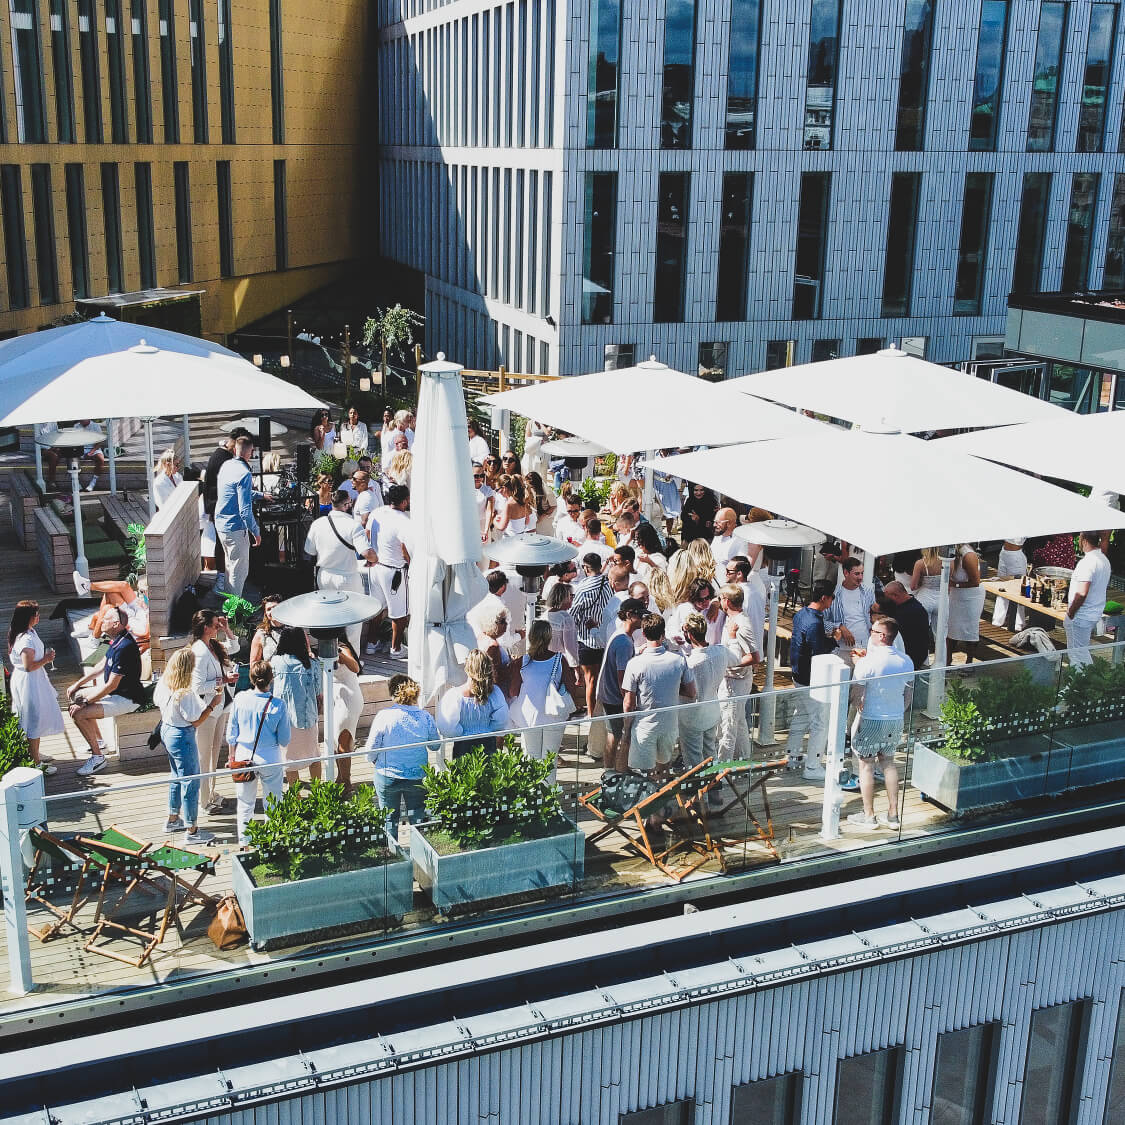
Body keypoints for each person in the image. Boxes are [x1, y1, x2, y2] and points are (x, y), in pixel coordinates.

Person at [847, 617, 914, 831]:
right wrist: (897, 710)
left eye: (873, 631)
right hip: (895, 719)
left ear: (882, 636)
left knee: (866, 766)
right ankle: (893, 815)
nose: (870, 634)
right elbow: (909, 693)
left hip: (871, 718)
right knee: (889, 763)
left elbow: (856, 695)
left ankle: (869, 816)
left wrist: (860, 707)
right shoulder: (906, 660)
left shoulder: (867, 662)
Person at [69, 607, 147, 776]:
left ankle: (98, 758)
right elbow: (101, 665)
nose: (101, 621)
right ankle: (97, 741)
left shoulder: (125, 646)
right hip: (115, 693)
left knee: (78, 713)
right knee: (77, 696)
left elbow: (111, 686)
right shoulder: (114, 639)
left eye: (105, 619)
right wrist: (78, 685)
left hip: (127, 698)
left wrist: (86, 702)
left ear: (116, 624)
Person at [154, 647, 218, 844]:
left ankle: (173, 818)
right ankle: (192, 830)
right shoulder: (185, 693)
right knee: (191, 781)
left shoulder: (165, 683)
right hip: (182, 736)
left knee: (176, 776)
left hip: (167, 730)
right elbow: (195, 721)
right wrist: (212, 704)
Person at [304, 490, 379, 651]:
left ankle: (331, 653)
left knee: (330, 617)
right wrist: (374, 560)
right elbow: (367, 553)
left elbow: (309, 550)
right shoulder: (352, 525)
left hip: (324, 575)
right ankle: (352, 658)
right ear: (347, 504)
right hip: (347, 577)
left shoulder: (318, 524)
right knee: (353, 618)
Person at [621, 614, 696, 774]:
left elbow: (628, 703)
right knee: (663, 769)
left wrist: (626, 731)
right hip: (669, 725)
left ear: (643, 633)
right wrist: (673, 688)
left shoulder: (635, 664)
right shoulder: (679, 660)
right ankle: (661, 795)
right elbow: (691, 692)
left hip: (644, 727)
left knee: (642, 774)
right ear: (663, 634)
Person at [366, 674, 439, 837]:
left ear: (393, 694)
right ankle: (421, 857)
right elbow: (435, 745)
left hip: (387, 775)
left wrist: (374, 760)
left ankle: (392, 856)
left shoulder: (384, 716)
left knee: (389, 819)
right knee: (418, 818)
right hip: (417, 776)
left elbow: (370, 751)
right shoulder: (425, 717)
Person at [227, 660, 291, 846]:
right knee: (273, 803)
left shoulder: (240, 699)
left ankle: (245, 842)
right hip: (270, 756)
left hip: (243, 756)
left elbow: (232, 734)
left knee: (245, 803)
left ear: (252, 678)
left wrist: (231, 757)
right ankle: (273, 841)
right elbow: (284, 740)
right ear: (271, 678)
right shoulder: (278, 705)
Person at [190, 608, 240, 815]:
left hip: (220, 707)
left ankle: (211, 793)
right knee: (203, 756)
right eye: (215, 624)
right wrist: (224, 681)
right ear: (205, 627)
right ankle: (203, 802)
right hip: (206, 710)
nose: (218, 626)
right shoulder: (199, 651)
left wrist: (228, 630)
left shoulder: (213, 645)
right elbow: (198, 686)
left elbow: (234, 646)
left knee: (213, 755)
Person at [787, 581, 836, 778]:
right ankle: (813, 766)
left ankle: (793, 755)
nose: (833, 600)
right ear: (824, 598)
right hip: (810, 678)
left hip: (798, 674)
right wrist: (834, 639)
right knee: (820, 722)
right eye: (832, 597)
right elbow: (820, 650)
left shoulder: (802, 614)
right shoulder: (815, 622)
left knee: (801, 716)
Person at [7, 601, 62, 774]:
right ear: (28, 617)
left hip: (32, 680)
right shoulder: (26, 639)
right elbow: (29, 666)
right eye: (36, 614)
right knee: (33, 719)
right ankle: (35, 763)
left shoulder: (27, 632)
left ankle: (34, 753)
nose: (38, 616)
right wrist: (46, 659)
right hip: (29, 683)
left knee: (33, 716)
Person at [679, 612, 737, 772]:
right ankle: (714, 789)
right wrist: (732, 638)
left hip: (691, 717)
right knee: (710, 753)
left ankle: (699, 794)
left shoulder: (690, 664)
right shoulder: (721, 651)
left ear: (689, 634)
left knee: (694, 761)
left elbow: (687, 691)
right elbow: (737, 659)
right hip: (712, 711)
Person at [595, 598, 647, 771]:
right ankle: (610, 772)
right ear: (630, 615)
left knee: (614, 735)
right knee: (615, 736)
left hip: (608, 695)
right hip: (615, 698)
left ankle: (609, 771)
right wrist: (628, 704)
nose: (643, 620)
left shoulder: (620, 635)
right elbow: (622, 678)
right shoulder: (624, 642)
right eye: (640, 616)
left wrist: (638, 652)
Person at [509, 620, 568, 772]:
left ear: (530, 637)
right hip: (554, 716)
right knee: (550, 759)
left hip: (529, 717)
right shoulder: (560, 660)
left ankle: (532, 795)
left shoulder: (522, 661)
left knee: (531, 757)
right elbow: (571, 689)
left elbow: (513, 692)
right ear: (549, 638)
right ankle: (549, 794)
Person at [270, 626, 321, 788]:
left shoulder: (276, 662)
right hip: (308, 717)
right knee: (314, 757)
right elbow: (318, 691)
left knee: (288, 760)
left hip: (284, 719)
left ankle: (295, 795)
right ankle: (318, 793)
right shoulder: (311, 664)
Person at [214, 435, 264, 597]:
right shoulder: (244, 473)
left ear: (235, 450)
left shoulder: (227, 465)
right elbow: (245, 510)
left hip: (221, 524)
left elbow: (233, 491)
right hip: (235, 527)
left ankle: (229, 607)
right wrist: (256, 532)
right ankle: (234, 614)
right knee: (239, 571)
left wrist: (260, 494)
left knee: (230, 567)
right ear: (250, 453)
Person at [437, 649, 509, 757]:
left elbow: (447, 727)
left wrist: (461, 732)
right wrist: (488, 728)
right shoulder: (495, 693)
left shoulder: (455, 695)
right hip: (488, 742)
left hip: (463, 745)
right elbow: (501, 721)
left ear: (467, 669)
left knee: (463, 773)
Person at [716, 584, 760, 761]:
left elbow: (754, 657)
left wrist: (728, 665)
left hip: (735, 682)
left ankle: (723, 770)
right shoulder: (732, 619)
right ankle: (743, 759)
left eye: (720, 599)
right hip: (733, 680)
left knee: (728, 726)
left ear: (726, 601)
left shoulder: (741, 624)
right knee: (739, 721)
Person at [370, 484, 412, 658]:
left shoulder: (377, 512)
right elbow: (404, 549)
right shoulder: (404, 521)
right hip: (394, 571)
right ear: (404, 501)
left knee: (376, 609)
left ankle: (371, 644)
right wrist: (412, 564)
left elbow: (367, 532)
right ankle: (396, 649)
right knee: (399, 613)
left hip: (375, 567)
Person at [571, 552, 612, 716]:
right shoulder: (609, 583)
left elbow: (573, 615)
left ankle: (592, 716)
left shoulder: (582, 588)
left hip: (587, 639)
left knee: (591, 681)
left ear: (586, 568)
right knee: (603, 680)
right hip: (606, 638)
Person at [1065, 530, 1112, 664]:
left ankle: (1082, 683)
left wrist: (1070, 613)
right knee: (1081, 651)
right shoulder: (1104, 559)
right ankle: (1084, 681)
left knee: (1077, 653)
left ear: (1084, 540)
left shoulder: (1087, 563)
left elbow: (1082, 593)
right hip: (1093, 613)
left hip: (1080, 616)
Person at [825, 556, 877, 663]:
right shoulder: (834, 593)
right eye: (856, 574)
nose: (860, 577)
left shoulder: (868, 592)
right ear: (846, 573)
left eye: (862, 573)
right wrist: (840, 626)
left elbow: (874, 615)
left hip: (865, 647)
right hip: (842, 649)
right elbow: (823, 620)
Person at [330, 636, 364, 787]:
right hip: (335, 698)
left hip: (348, 700)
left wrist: (341, 655)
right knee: (335, 742)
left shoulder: (342, 648)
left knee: (343, 742)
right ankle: (340, 778)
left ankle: (346, 782)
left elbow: (356, 668)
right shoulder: (321, 649)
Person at [947, 543, 986, 665]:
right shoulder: (949, 554)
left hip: (971, 597)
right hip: (955, 595)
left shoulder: (968, 555)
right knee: (950, 628)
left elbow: (975, 581)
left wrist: (955, 585)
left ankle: (969, 662)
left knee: (970, 629)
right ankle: (947, 660)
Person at [881, 581, 931, 671]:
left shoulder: (913, 611)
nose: (887, 601)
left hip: (910, 657)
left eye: (888, 598)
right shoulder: (908, 605)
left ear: (895, 596)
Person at [991, 537, 1029, 632]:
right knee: (1001, 588)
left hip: (1016, 557)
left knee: (1018, 589)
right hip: (1004, 553)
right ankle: (997, 621)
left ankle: (1019, 623)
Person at [910, 547, 944, 631]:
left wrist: (923, 582)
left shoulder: (920, 563)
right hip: (942, 598)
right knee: (941, 630)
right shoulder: (948, 562)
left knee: (921, 628)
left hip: (925, 597)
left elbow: (913, 586)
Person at [249, 594, 284, 665]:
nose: (272, 611)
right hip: (272, 675)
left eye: (275, 607)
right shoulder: (261, 634)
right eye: (268, 609)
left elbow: (307, 653)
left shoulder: (295, 629)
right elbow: (254, 664)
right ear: (266, 614)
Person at [472, 463, 496, 543]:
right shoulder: (465, 489)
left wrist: (485, 531)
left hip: (483, 524)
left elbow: (489, 511)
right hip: (469, 523)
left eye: (481, 475)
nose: (479, 478)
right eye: (476, 476)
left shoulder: (488, 490)